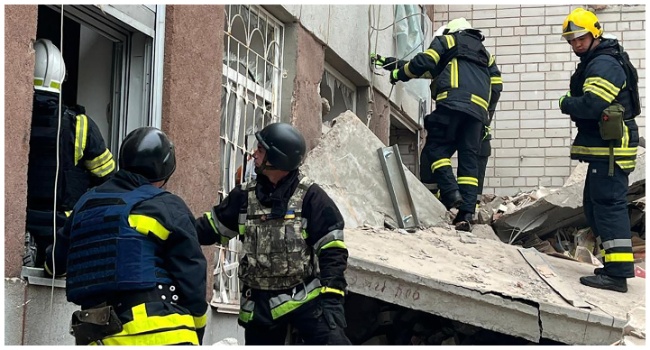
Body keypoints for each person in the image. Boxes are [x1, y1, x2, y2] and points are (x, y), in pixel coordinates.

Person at [44, 127, 208, 344]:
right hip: (163, 332)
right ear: (165, 170)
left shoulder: (84, 206)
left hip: (99, 336)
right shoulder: (165, 205)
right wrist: (198, 327)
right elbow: (192, 274)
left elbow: (54, 264)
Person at [195, 122, 351, 345]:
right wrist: (175, 227)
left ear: (277, 158)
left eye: (260, 150)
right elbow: (209, 229)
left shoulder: (311, 198)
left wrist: (332, 298)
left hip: (305, 301)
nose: (254, 155)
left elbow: (332, 250)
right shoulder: (243, 197)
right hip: (261, 307)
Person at [372, 18, 502, 232]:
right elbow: (496, 88)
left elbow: (425, 62)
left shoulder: (447, 42)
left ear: (452, 32)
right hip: (477, 115)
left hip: (452, 105)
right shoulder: (485, 56)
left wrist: (398, 75)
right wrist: (389, 63)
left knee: (435, 150)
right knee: (469, 162)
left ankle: (451, 194)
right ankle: (466, 214)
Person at [559, 8, 640, 293]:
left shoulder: (604, 63)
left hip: (610, 151)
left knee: (607, 207)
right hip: (605, 151)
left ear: (594, 33)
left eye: (580, 38)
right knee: (596, 207)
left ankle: (617, 276)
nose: (576, 45)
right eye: (571, 41)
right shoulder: (597, 60)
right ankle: (612, 267)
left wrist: (566, 102)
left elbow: (593, 104)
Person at [25, 38, 115, 268]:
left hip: (18, 221)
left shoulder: (13, 114)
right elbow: (109, 178)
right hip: (60, 230)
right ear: (62, 77)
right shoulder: (79, 125)